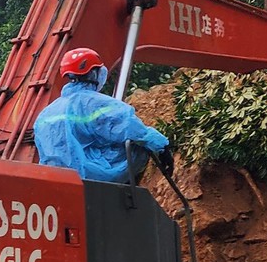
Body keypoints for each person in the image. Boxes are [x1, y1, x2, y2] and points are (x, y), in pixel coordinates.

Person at [31, 47, 174, 184]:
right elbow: (132, 129)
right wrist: (161, 146)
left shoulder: (46, 113)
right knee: (139, 146)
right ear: (94, 73)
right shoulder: (95, 104)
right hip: (89, 174)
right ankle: (127, 197)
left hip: (53, 177)